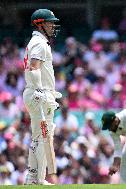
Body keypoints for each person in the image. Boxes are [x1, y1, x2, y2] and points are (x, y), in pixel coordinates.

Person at [22, 9, 62, 185]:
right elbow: (34, 67)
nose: (53, 25)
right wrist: (39, 90)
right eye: (50, 22)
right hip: (39, 93)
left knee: (38, 136)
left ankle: (32, 177)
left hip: (38, 93)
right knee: (45, 136)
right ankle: (38, 179)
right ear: (40, 23)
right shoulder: (39, 42)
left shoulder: (37, 41)